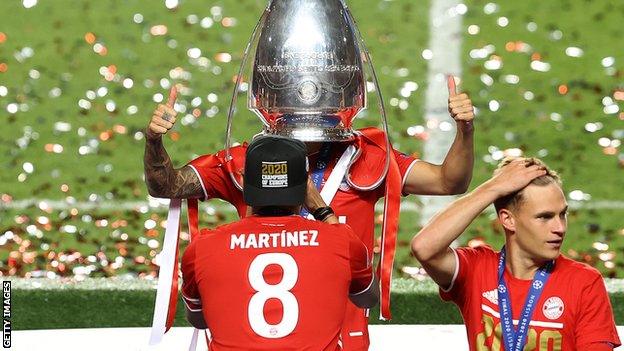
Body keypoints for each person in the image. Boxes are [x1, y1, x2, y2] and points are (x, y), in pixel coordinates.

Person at [144, 77, 474, 350]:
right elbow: (168, 186)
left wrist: (465, 130)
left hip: (343, 334)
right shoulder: (253, 163)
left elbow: (448, 181)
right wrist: (154, 141)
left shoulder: (364, 157)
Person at [181, 135, 377, 351]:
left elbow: (199, 320)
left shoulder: (204, 247)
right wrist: (322, 209)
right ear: (305, 187)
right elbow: (367, 297)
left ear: (246, 182)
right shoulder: (340, 240)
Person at [411, 157, 621, 351]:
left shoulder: (584, 283)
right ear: (508, 220)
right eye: (545, 217)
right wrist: (493, 188)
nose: (560, 227)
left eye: (562, 214)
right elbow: (424, 247)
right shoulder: (477, 269)